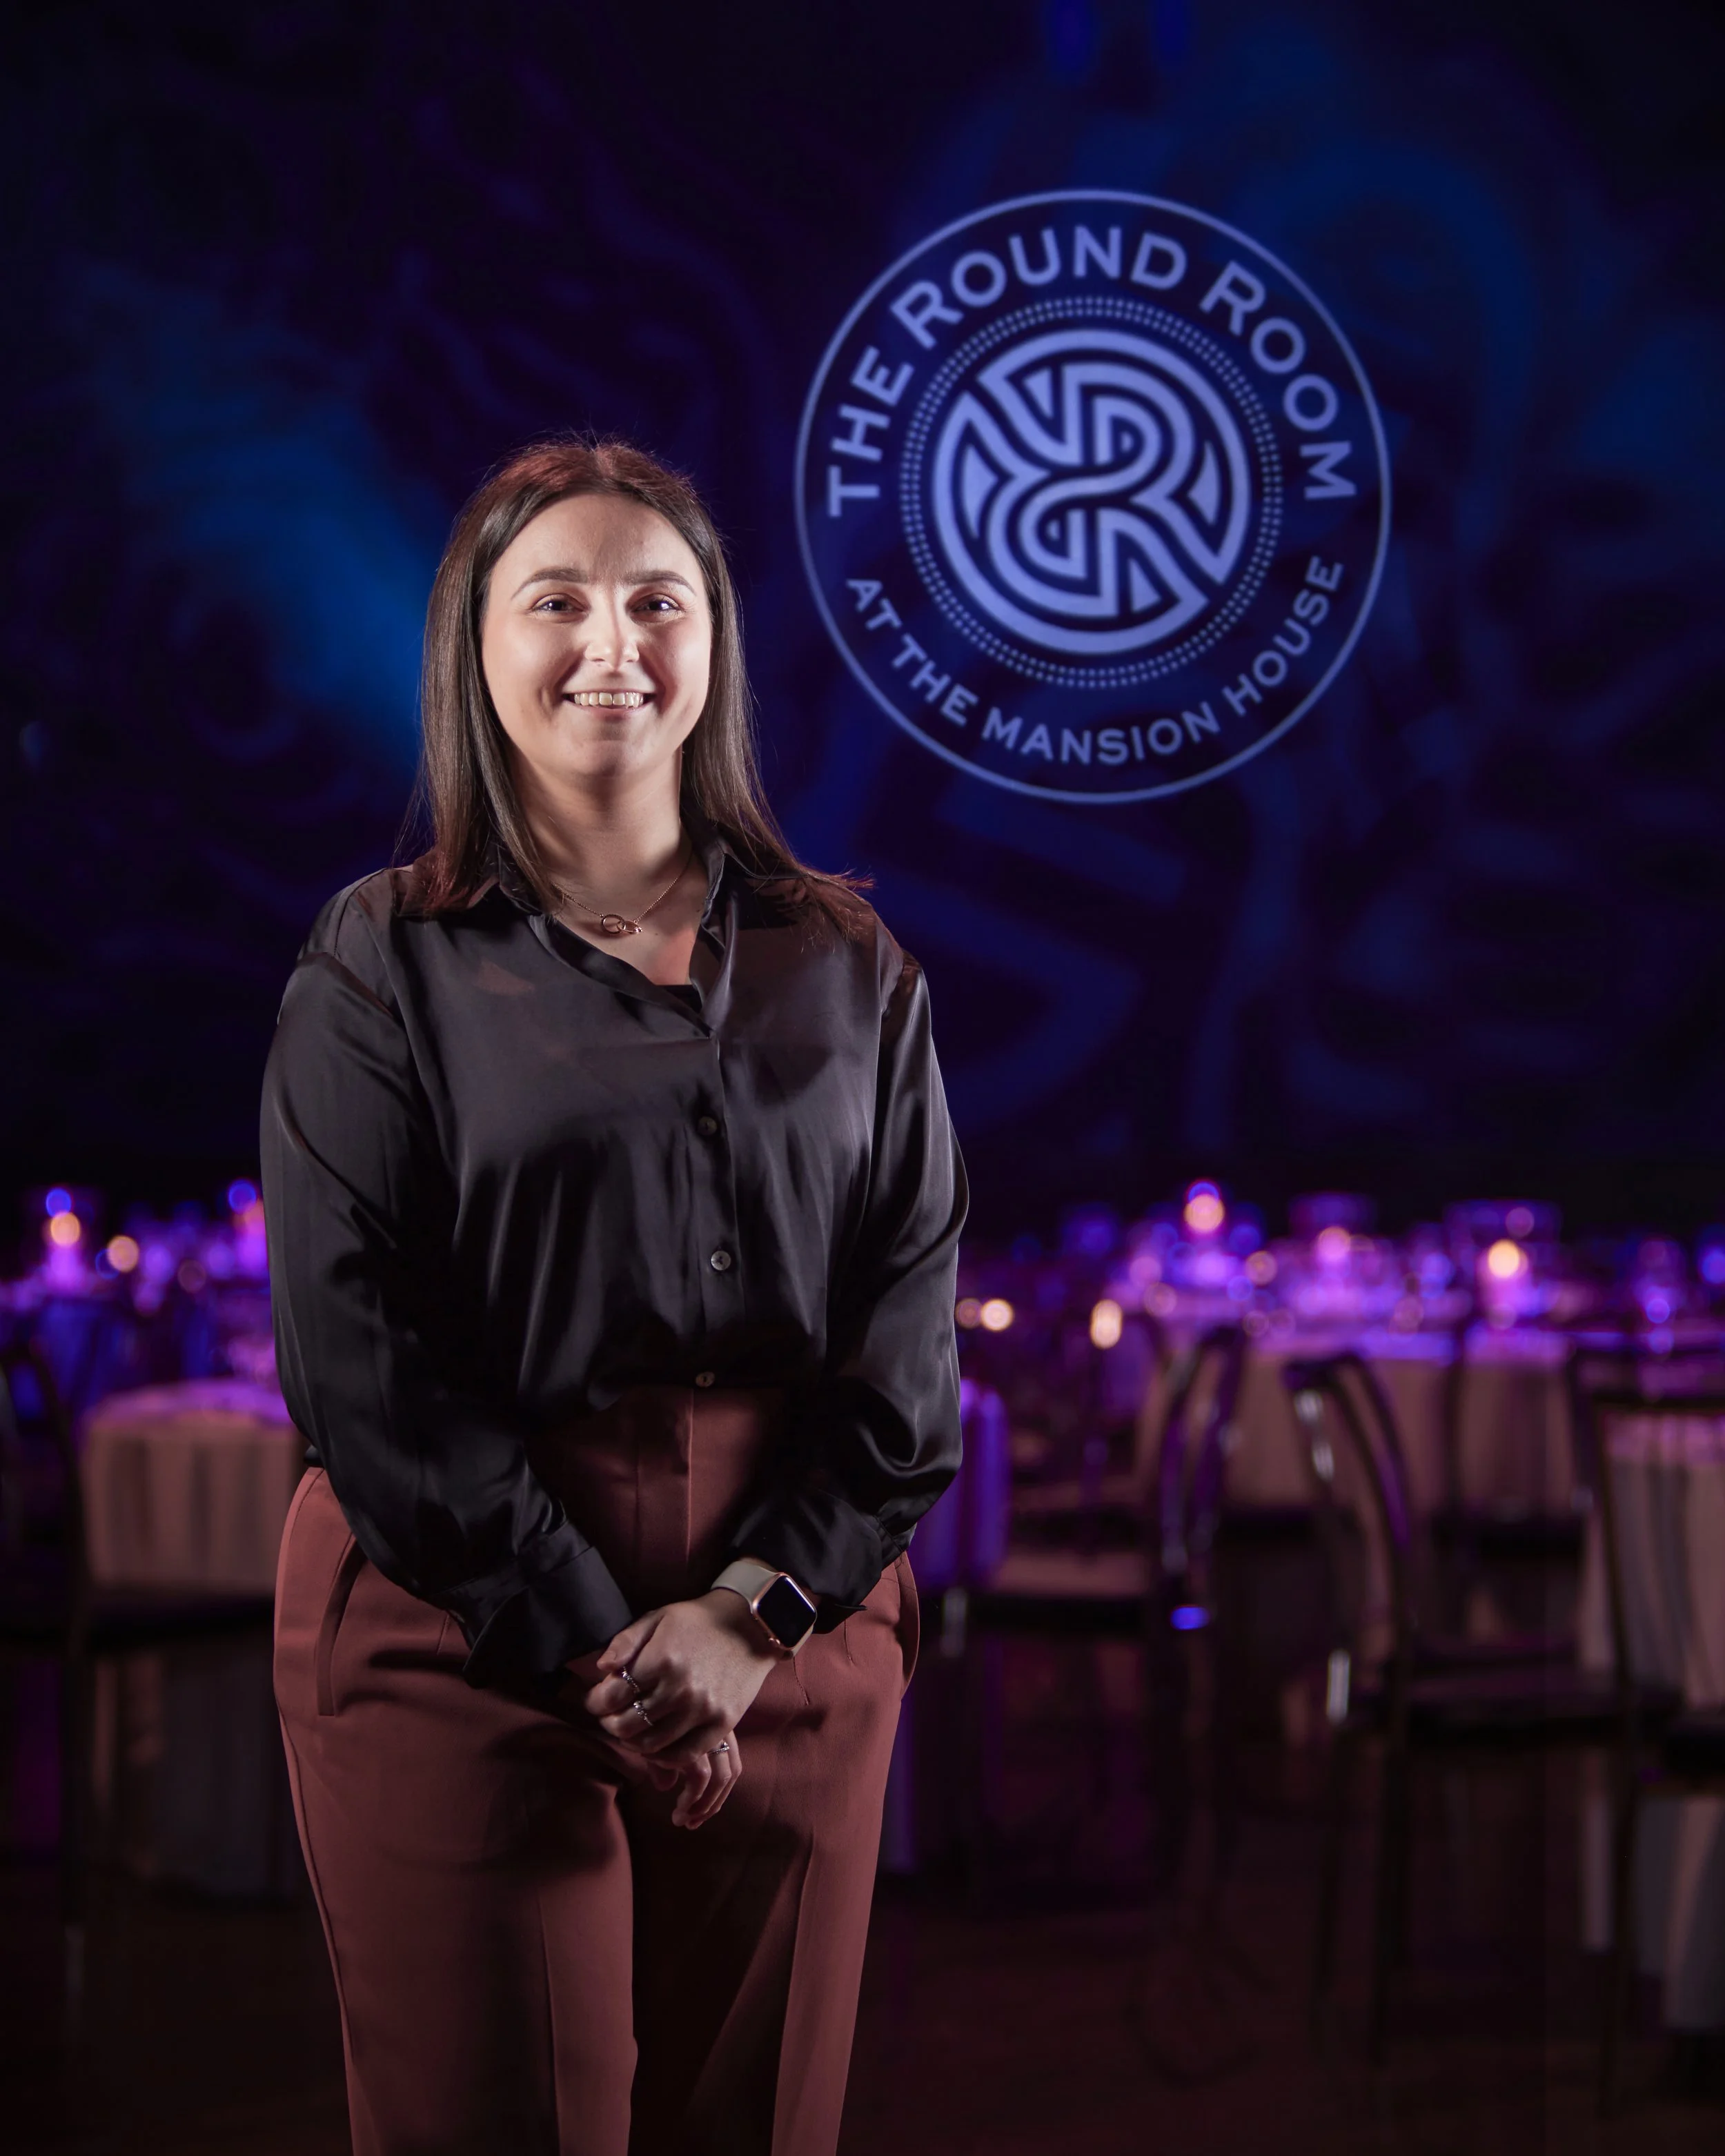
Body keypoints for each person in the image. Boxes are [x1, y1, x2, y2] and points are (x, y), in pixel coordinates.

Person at [262, 437, 966, 2156]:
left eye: (658, 599)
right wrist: (602, 1641)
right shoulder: (380, 959)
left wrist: (749, 1617)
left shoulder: (846, 959)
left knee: (757, 2123)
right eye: (554, 598)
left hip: (788, 1614)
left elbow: (906, 1338)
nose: (612, 642)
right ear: (471, 647)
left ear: (712, 640)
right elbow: (362, 1358)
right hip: (459, 1616)